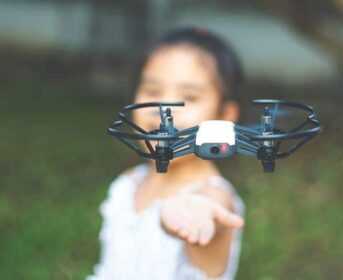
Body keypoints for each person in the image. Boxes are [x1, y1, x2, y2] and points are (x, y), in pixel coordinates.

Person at [87, 26, 246, 280]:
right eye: (152, 92)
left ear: (224, 117)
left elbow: (212, 210)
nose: (163, 109)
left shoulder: (212, 195)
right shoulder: (130, 182)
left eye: (189, 97)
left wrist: (195, 211)